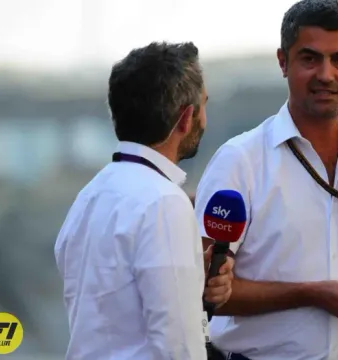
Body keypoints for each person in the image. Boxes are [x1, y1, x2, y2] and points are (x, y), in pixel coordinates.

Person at [193, 1, 338, 359]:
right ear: (282, 62)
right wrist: (310, 294)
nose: (326, 74)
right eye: (310, 58)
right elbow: (200, 288)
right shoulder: (239, 160)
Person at [54, 41, 234, 360]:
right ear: (186, 117)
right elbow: (177, 346)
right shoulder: (164, 202)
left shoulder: (89, 195)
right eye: (203, 105)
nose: (204, 118)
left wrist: (193, 279)